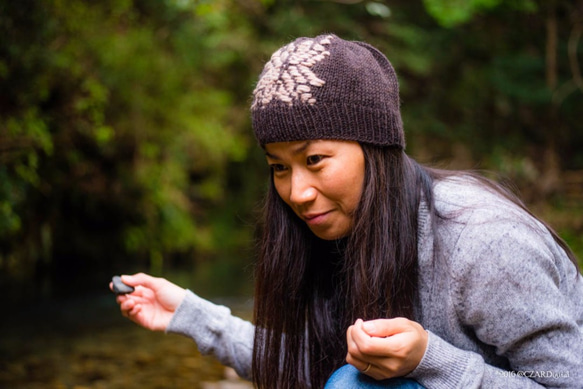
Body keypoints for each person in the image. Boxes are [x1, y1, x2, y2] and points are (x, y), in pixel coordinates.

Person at [113, 34, 583, 388]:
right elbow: (309, 363)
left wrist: (431, 360)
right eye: (279, 167)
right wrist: (192, 316)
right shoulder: (344, 229)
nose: (296, 192)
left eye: (314, 160)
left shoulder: (484, 241)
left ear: (374, 148)